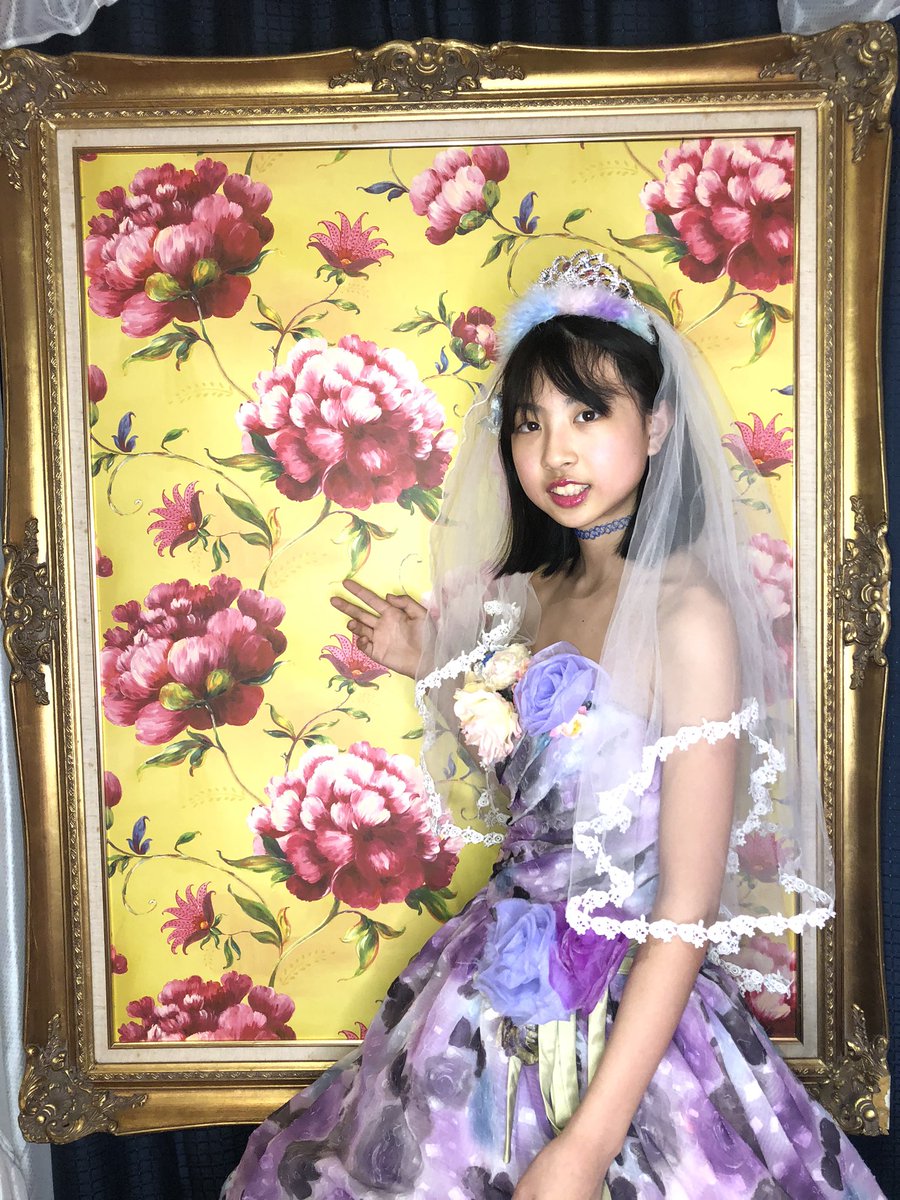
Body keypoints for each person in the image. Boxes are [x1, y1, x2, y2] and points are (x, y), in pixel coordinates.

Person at [222, 252, 886, 1200]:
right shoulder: (533, 594)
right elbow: (544, 775)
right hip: (486, 984)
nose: (555, 453)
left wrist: (584, 1148)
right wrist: (430, 660)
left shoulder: (688, 614)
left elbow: (685, 906)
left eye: (587, 413)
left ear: (656, 423)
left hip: (628, 1008)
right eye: (530, 423)